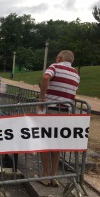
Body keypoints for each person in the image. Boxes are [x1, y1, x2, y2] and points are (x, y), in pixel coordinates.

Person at [38, 50, 80, 187]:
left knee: (44, 143)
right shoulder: (76, 74)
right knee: (57, 146)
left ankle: (45, 175)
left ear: (61, 57)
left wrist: (42, 98)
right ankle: (54, 176)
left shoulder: (55, 67)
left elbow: (45, 78)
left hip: (52, 109)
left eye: (57, 57)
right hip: (65, 112)